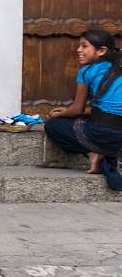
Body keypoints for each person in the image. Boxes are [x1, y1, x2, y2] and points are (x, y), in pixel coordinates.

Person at [46, 29, 122, 179]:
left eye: (84, 46)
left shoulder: (86, 71)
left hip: (103, 132)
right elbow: (109, 108)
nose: (78, 50)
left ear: (101, 51)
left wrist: (59, 114)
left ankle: (95, 152)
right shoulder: (118, 68)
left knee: (53, 126)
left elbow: (76, 109)